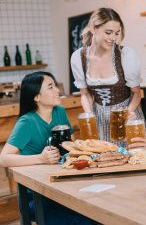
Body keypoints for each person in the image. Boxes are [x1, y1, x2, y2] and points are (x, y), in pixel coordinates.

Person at [0, 71, 96, 224]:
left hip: (62, 189)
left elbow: (71, 144)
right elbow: (3, 159)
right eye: (50, 87)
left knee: (97, 216)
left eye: (55, 85)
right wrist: (40, 158)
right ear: (36, 97)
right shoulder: (27, 122)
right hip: (36, 197)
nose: (58, 90)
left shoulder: (59, 111)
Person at [71, 7, 145, 142]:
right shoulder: (78, 57)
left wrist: (127, 113)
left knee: (133, 158)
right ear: (93, 29)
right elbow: (85, 93)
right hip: (99, 118)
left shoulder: (125, 55)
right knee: (104, 159)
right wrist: (89, 115)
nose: (113, 38)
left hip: (127, 115)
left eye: (117, 33)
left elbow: (136, 93)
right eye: (108, 32)